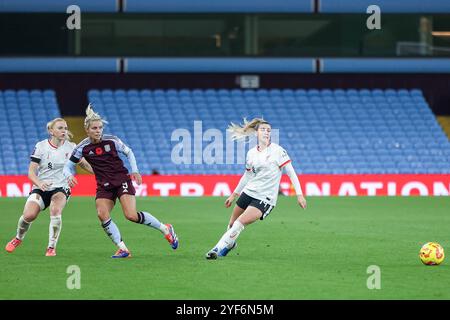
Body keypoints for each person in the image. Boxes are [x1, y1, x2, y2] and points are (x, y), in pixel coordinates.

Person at [63, 104, 178, 258]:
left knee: (131, 215)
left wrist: (135, 170)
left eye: (100, 128)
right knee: (102, 214)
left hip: (121, 180)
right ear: (87, 130)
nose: (98, 131)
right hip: (104, 185)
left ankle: (165, 229)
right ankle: (123, 248)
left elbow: (129, 152)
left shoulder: (112, 140)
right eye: (94, 128)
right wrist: (69, 175)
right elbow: (68, 166)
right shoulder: (82, 148)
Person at [206, 118, 307, 259]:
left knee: (239, 223)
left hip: (265, 198)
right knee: (231, 224)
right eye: (263, 129)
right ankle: (230, 244)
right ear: (256, 133)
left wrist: (299, 195)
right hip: (249, 192)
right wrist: (234, 194)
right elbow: (247, 176)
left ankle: (216, 249)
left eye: (269, 130)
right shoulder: (251, 153)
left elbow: (291, 172)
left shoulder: (278, 151)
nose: (266, 132)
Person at [5, 118, 93, 256]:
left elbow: (84, 164)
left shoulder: (71, 147)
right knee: (29, 215)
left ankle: (51, 247)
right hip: (41, 186)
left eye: (65, 128)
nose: (64, 130)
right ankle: (18, 238)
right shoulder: (41, 146)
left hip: (61, 187)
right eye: (60, 128)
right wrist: (39, 183)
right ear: (51, 131)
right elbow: (31, 172)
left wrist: (100, 174)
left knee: (55, 210)